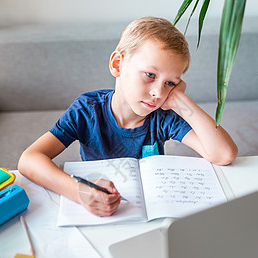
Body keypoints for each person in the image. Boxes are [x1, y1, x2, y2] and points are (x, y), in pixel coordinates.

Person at [18, 16, 238, 217]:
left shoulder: (163, 116)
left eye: (170, 83)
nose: (158, 93)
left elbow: (223, 154)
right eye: (150, 75)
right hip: (99, 209)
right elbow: (29, 160)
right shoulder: (87, 110)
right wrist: (78, 192)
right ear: (118, 65)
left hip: (152, 213)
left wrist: (180, 101)